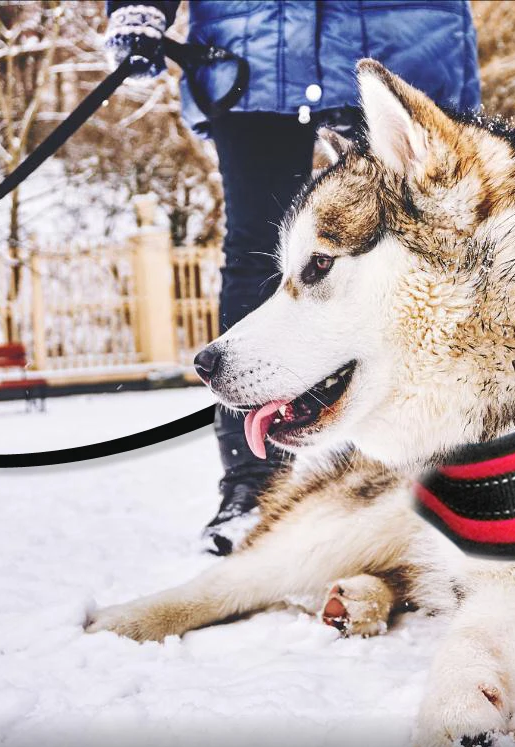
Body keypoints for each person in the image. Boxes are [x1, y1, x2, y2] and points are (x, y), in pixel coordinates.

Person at [103, 1, 481, 555]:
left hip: (396, 34)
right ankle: (255, 484)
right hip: (255, 46)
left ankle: (428, 462)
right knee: (260, 252)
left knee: (418, 247)